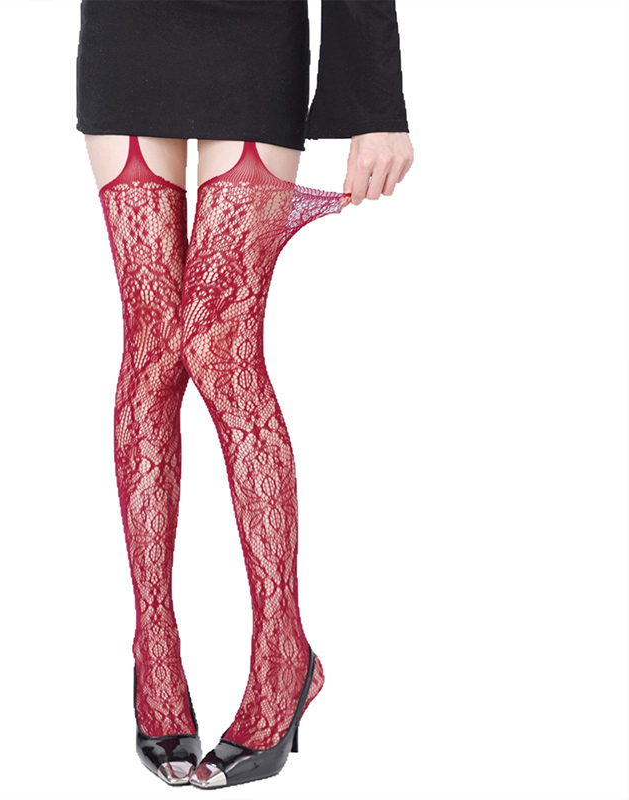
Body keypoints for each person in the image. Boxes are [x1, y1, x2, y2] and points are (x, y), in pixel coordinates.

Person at [75, 0, 414, 789]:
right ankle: (154, 653)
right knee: (153, 347)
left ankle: (283, 656)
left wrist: (376, 105)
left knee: (217, 347)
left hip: (253, 30)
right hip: (128, 28)